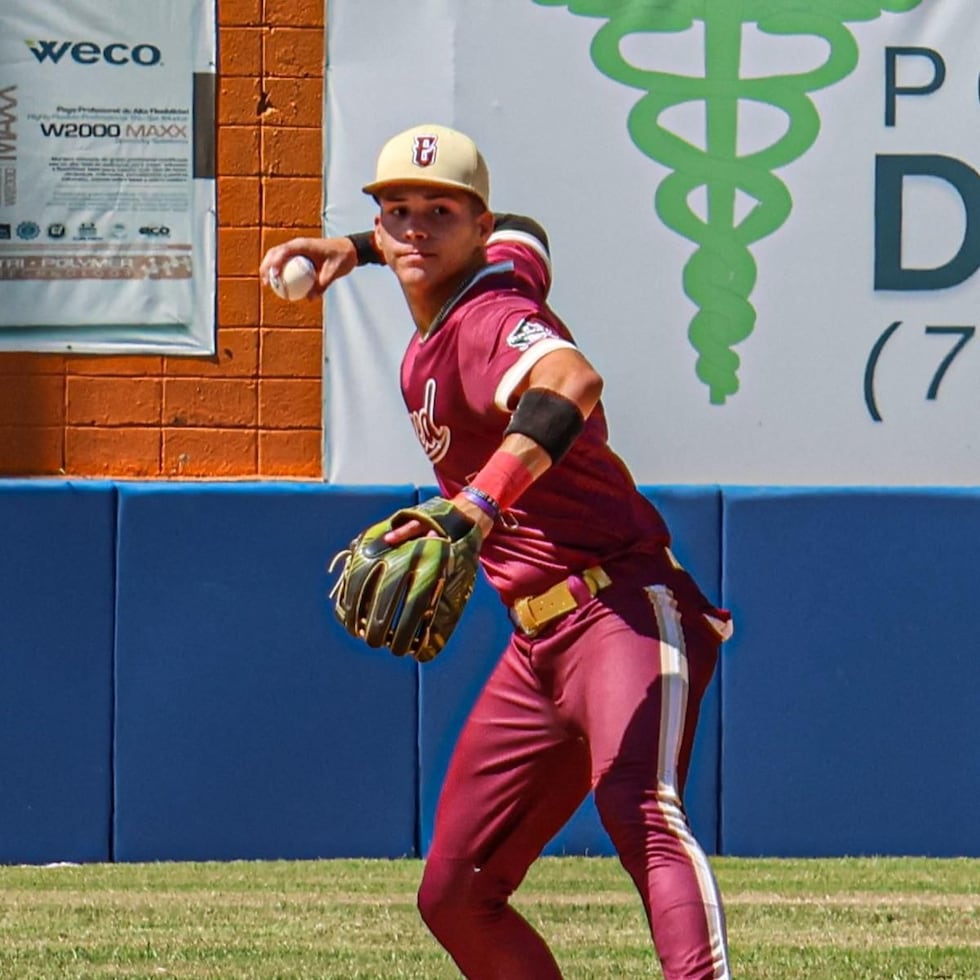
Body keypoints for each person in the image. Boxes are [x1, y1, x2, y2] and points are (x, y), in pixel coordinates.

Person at [260, 123, 733, 980]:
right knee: (454, 891)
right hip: (536, 643)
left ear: (475, 229)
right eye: (397, 210)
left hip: (621, 605)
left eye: (440, 212)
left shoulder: (490, 316)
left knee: (641, 811)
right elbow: (529, 231)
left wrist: (474, 504)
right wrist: (357, 249)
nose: (414, 228)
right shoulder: (506, 264)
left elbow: (571, 383)